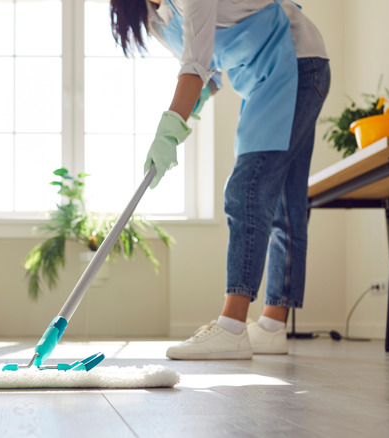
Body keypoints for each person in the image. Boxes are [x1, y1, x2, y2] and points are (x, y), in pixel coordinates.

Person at [110, 0, 330, 359]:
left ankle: (232, 327)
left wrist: (170, 128)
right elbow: (208, 72)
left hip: (297, 63)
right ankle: (273, 327)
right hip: (265, 76)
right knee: (284, 203)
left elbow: (195, 66)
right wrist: (189, 110)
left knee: (247, 190)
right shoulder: (154, 18)